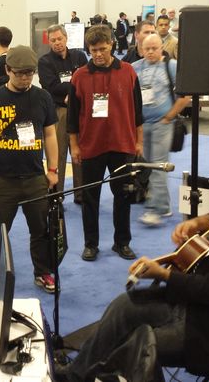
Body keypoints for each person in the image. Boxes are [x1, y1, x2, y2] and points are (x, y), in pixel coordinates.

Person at [57, 145, 209, 382]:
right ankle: (74, 375)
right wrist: (197, 222)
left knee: (135, 345)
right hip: (201, 308)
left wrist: (164, 275)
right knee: (124, 306)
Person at [0, 46, 59, 297]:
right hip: (3, 179)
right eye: (19, 73)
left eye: (29, 73)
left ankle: (43, 272)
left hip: (35, 177)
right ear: (7, 70)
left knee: (41, 230)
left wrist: (53, 169)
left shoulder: (43, 97)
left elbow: (50, 135)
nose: (25, 78)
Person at [68, 26, 143, 262]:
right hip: (91, 146)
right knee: (90, 198)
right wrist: (74, 146)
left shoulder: (128, 72)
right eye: (93, 50)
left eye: (102, 49)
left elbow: (138, 112)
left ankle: (122, 242)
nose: (98, 54)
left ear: (111, 44)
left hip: (122, 145)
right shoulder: (79, 76)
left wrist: (139, 141)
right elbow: (72, 117)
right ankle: (91, 244)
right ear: (88, 50)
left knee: (123, 197)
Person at [131, 35, 190, 226]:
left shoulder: (171, 66)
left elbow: (185, 96)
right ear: (141, 49)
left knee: (158, 166)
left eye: (154, 48)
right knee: (150, 165)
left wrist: (169, 117)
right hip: (142, 125)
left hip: (162, 124)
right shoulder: (135, 67)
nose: (150, 52)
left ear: (161, 47)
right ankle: (163, 206)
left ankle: (154, 209)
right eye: (146, 48)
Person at [38, 25, 89, 204]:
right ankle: (55, 195)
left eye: (60, 39)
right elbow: (50, 86)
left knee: (79, 153)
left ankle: (80, 193)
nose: (57, 43)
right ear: (49, 42)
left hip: (80, 111)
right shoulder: (44, 62)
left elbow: (87, 79)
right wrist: (74, 88)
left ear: (66, 38)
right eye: (53, 40)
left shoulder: (79, 56)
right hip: (58, 112)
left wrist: (71, 92)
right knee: (56, 155)